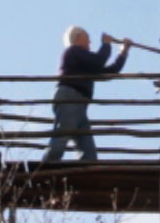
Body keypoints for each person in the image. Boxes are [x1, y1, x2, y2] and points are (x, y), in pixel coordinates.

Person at [42, 26, 130, 162]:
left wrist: (123, 53)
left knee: (87, 151)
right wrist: (106, 44)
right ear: (77, 37)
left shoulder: (84, 61)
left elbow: (109, 71)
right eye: (87, 38)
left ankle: (86, 170)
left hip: (79, 104)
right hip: (70, 98)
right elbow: (98, 61)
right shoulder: (73, 51)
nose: (90, 43)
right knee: (61, 138)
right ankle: (44, 169)